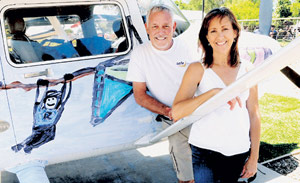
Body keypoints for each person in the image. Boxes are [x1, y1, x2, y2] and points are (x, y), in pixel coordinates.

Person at [172, 7, 261, 183]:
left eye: (225, 29)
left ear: (235, 32)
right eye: (213, 31)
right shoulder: (197, 69)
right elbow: (177, 112)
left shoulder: (248, 69)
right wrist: (213, 93)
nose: (220, 36)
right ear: (207, 37)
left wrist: (254, 157)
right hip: (205, 151)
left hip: (238, 150)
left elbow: (254, 114)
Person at [126, 5, 194, 183]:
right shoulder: (139, 54)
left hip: (198, 109)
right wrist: (168, 111)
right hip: (172, 117)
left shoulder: (187, 47)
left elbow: (204, 78)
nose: (160, 31)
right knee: (186, 173)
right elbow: (139, 95)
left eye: (166, 26)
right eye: (154, 26)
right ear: (146, 27)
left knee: (212, 162)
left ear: (173, 27)